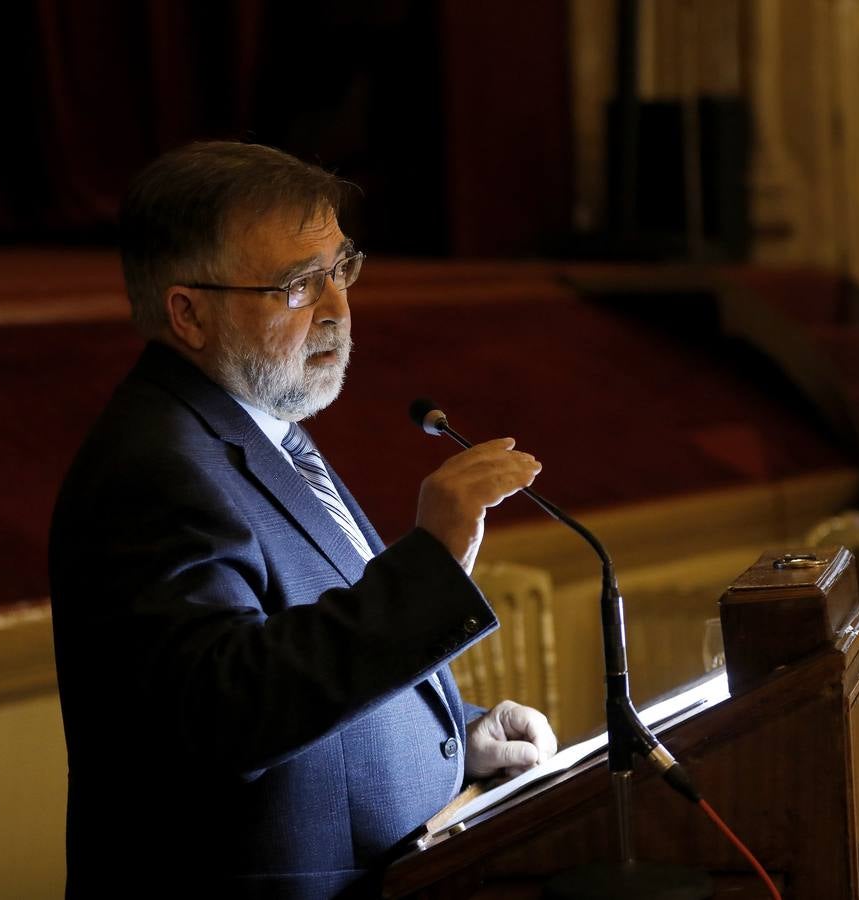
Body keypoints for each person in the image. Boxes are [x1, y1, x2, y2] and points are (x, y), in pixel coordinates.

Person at [48, 141, 557, 898]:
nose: (337, 308)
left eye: (340, 268)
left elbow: (308, 653)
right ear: (188, 313)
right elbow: (226, 710)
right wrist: (433, 562)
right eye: (296, 285)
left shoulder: (260, 425)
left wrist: (451, 736)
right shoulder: (154, 468)